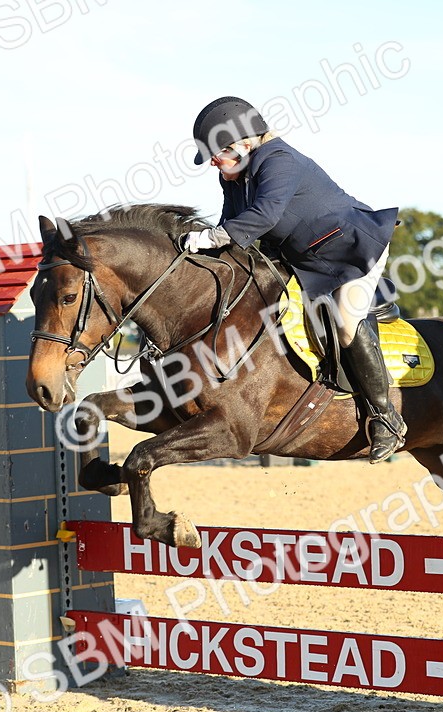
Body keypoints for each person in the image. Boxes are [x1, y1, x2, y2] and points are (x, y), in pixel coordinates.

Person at [184, 96, 407, 463]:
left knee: (346, 326)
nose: (212, 162)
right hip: (307, 261)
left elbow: (265, 215)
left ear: (241, 144)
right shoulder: (234, 176)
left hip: (352, 250)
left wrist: (210, 238)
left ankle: (386, 417)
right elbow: (231, 226)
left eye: (216, 153)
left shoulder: (278, 159)